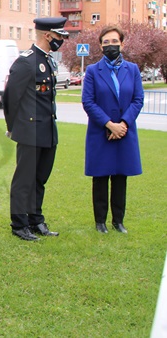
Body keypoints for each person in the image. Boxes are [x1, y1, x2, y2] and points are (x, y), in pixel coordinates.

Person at [3, 17, 69, 241]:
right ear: (47, 35)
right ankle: (19, 224)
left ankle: (36, 220)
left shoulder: (49, 61)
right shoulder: (26, 62)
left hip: (48, 129)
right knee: (25, 179)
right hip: (29, 130)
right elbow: (11, 99)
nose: (62, 40)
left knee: (40, 178)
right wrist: (13, 128)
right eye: (60, 36)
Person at [82, 26, 143, 234]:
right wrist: (110, 124)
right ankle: (100, 222)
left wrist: (123, 125)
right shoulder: (92, 71)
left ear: (122, 44)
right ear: (100, 45)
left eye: (114, 42)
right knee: (100, 177)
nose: (110, 46)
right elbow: (88, 102)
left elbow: (138, 99)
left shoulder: (132, 70)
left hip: (124, 132)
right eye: (106, 42)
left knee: (120, 177)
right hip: (101, 132)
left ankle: (118, 221)